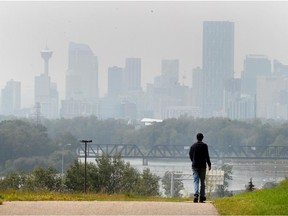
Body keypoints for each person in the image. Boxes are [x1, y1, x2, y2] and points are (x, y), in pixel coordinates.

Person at [189, 133, 211, 203]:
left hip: (195, 166)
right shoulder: (205, 146)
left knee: (196, 181)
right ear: (202, 138)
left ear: (196, 138)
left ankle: (196, 195)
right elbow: (207, 156)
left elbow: (190, 155)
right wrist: (209, 164)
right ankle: (202, 197)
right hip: (202, 166)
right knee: (202, 182)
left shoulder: (193, 146)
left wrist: (193, 161)